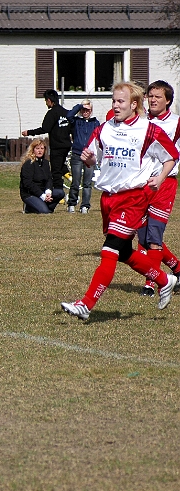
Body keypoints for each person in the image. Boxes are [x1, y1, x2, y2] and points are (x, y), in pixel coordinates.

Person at [61, 82, 179, 321]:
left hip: (134, 198)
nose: (115, 105)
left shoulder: (148, 129)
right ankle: (165, 279)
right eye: (114, 101)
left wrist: (161, 177)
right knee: (125, 251)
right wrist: (88, 159)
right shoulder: (103, 129)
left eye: (121, 101)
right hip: (108, 198)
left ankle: (86, 304)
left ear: (134, 104)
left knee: (110, 249)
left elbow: (172, 156)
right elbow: (94, 160)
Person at [136, 80, 180, 296]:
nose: (152, 100)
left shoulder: (176, 123)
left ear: (168, 100)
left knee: (154, 236)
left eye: (157, 97)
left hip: (165, 183)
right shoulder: (141, 121)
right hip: (141, 184)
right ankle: (178, 268)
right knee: (142, 237)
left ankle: (150, 284)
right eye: (150, 96)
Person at [22, 89, 71, 191]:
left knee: (55, 171)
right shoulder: (66, 112)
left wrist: (29, 132)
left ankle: (59, 193)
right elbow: (72, 128)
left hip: (57, 146)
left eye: (46, 101)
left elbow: (45, 128)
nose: (46, 103)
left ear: (49, 100)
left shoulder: (52, 113)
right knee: (61, 164)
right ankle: (69, 176)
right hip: (67, 145)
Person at [65, 99, 100, 213]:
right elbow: (69, 115)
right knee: (76, 181)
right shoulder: (76, 121)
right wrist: (79, 106)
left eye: (87, 110)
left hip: (89, 156)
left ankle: (85, 205)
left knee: (87, 183)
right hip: (77, 154)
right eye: (83, 110)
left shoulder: (95, 123)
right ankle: (72, 203)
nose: (85, 112)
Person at [19, 139, 65, 213]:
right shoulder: (28, 163)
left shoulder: (46, 163)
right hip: (30, 194)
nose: (40, 151)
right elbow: (28, 183)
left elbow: (49, 179)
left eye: (42, 148)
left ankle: (45, 207)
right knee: (44, 211)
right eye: (37, 148)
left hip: (43, 191)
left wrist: (48, 192)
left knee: (60, 193)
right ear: (33, 150)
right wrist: (42, 196)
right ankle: (29, 207)